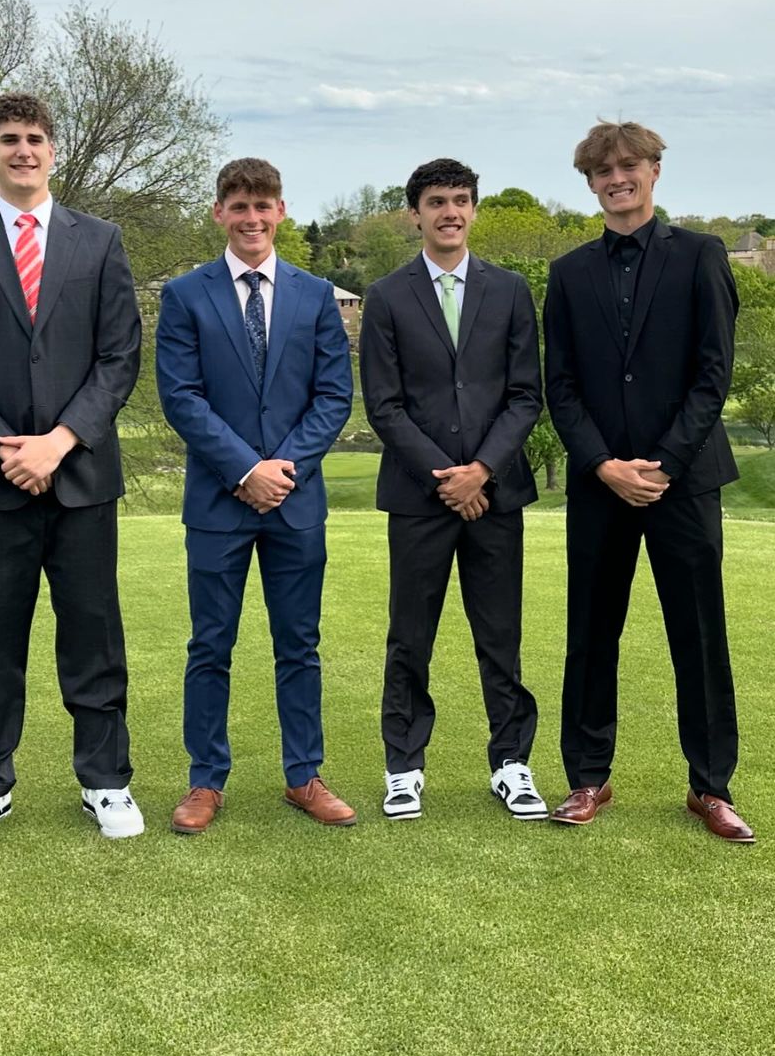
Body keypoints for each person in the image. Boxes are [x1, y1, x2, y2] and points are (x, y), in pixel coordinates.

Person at [0, 93, 143, 846]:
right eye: (9, 138)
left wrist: (61, 440)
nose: (23, 149)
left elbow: (119, 356)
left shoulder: (99, 241)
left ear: (52, 149)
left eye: (35, 138)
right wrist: (3, 445)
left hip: (81, 479)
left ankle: (105, 779)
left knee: (93, 636)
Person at [544, 121, 753, 842]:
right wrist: (605, 464)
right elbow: (560, 384)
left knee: (698, 635)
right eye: (602, 171)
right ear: (590, 183)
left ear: (654, 170)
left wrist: (661, 463)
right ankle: (587, 777)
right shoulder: (569, 273)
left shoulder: (701, 255)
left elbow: (713, 373)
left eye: (628, 165)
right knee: (590, 634)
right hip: (599, 485)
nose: (616, 179)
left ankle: (711, 786)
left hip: (682, 484)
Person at [156, 158, 355, 833]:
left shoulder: (316, 295)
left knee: (299, 645)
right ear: (219, 212)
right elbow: (181, 397)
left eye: (263, 205)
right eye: (238, 205)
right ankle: (205, 780)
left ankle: (304, 775)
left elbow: (334, 395)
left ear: (281, 211)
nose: (251, 217)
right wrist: (246, 470)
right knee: (210, 645)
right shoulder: (186, 295)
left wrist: (281, 470)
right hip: (219, 503)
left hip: (295, 503)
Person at [360, 158, 546, 821]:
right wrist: (448, 477)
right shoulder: (386, 296)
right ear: (415, 213)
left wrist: (482, 470)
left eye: (461, 200)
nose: (450, 212)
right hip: (420, 498)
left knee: (500, 636)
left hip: (496, 495)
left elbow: (525, 396)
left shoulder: (510, 290)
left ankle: (511, 763)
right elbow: (384, 405)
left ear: (473, 209)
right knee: (410, 637)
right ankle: (404, 767)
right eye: (437, 201)